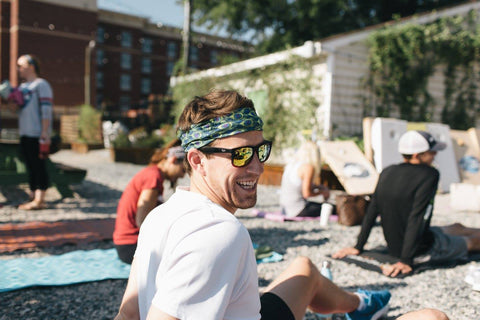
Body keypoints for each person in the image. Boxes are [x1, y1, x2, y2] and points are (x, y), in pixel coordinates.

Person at [115, 91, 448, 320]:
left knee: (303, 268)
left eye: (260, 151)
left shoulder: (160, 216)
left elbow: (128, 313)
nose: (257, 167)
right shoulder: (218, 234)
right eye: (240, 155)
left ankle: (359, 305)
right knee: (432, 317)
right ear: (197, 160)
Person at [333, 130, 480, 278]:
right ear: (417, 155)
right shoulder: (430, 174)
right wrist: (405, 260)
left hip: (403, 242)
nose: (435, 155)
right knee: (473, 242)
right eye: (432, 152)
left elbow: (372, 210)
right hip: (421, 248)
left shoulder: (388, 172)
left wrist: (359, 246)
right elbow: (418, 216)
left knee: (457, 227)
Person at [113, 138, 186, 264]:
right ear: (173, 160)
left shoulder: (152, 173)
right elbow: (142, 221)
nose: (182, 176)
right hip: (131, 246)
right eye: (183, 170)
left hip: (126, 243)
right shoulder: (153, 176)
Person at [13, 54, 53, 210]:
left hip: (38, 133)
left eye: (21, 66)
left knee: (38, 165)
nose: (18, 69)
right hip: (25, 132)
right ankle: (32, 196)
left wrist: (45, 132)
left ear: (31, 66)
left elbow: (46, 110)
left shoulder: (41, 85)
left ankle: (40, 200)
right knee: (29, 165)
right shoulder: (23, 88)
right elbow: (17, 109)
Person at [279, 140, 331, 217]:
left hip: (285, 209)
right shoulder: (308, 167)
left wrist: (318, 187)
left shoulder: (292, 164)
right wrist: (323, 192)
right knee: (331, 208)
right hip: (297, 210)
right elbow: (306, 194)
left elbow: (298, 186)